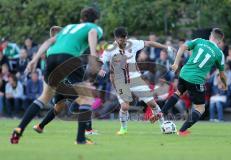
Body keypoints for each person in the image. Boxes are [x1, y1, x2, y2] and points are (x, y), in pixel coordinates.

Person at [10, 7, 103, 144]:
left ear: (81, 18)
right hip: (69, 58)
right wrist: (94, 57)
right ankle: (80, 139)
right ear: (96, 19)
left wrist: (34, 60)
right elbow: (93, 32)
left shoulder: (68, 28)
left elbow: (48, 42)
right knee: (86, 99)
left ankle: (19, 129)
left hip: (51, 58)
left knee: (44, 97)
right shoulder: (94, 27)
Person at [98, 27, 174, 135]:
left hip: (135, 79)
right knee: (125, 106)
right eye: (120, 40)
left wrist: (165, 47)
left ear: (126, 37)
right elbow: (101, 60)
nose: (123, 42)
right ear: (115, 38)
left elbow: (149, 43)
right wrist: (100, 69)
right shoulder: (110, 49)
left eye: (124, 40)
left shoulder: (133, 43)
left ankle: (163, 125)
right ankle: (123, 129)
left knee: (152, 104)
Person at [161, 28, 227, 136]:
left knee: (178, 93)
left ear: (210, 36)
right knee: (200, 108)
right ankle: (182, 131)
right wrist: (225, 85)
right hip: (196, 80)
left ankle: (161, 112)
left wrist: (176, 63)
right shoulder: (219, 54)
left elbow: (182, 47)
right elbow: (222, 74)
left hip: (183, 73)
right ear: (220, 41)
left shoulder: (199, 40)